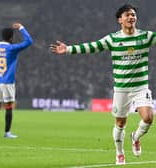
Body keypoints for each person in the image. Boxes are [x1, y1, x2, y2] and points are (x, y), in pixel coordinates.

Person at [50, 4, 155, 165]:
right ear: (120, 20)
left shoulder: (145, 37)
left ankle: (135, 137)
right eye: (127, 15)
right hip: (121, 90)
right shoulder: (112, 39)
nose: (131, 17)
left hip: (141, 87)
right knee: (120, 123)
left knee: (148, 118)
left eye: (133, 15)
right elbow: (92, 47)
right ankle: (119, 153)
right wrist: (69, 49)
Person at [0, 23, 33, 138]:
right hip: (7, 82)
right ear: (11, 38)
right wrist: (22, 28)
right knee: (8, 106)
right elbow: (29, 41)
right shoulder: (12, 48)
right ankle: (7, 133)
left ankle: (7, 132)